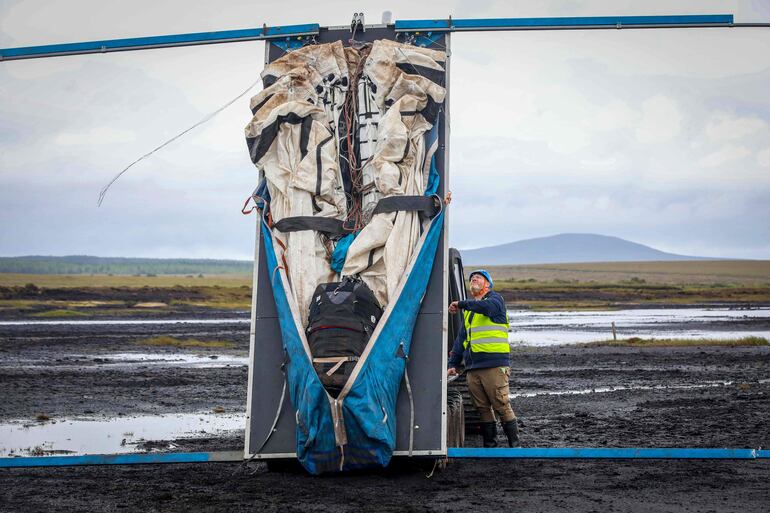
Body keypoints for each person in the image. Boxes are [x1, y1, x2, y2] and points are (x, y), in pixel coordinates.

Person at [448, 269, 519, 447]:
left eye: (478, 277)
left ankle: (515, 446)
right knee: (482, 408)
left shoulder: (495, 300)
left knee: (501, 404)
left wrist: (461, 304)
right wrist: (453, 363)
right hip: (473, 368)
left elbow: (486, 308)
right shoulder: (470, 311)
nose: (474, 279)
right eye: (472, 278)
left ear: (488, 284)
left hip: (494, 365)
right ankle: (490, 445)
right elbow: (462, 339)